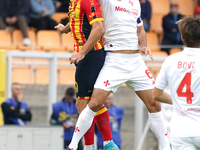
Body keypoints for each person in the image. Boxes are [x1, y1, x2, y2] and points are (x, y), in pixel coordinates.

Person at [68, 0, 171, 149]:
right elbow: (83, 12)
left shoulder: (135, 2)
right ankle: (73, 145)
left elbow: (140, 29)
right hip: (114, 60)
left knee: (154, 103)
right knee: (95, 103)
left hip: (136, 62)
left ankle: (166, 146)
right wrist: (68, 28)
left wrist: (144, 45)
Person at [54, 0, 118, 149]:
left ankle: (90, 146)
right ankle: (107, 144)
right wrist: (65, 29)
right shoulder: (75, 1)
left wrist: (82, 52)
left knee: (83, 105)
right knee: (93, 103)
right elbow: (79, 18)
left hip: (90, 55)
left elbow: (98, 28)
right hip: (86, 55)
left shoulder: (88, 1)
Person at [153, 16, 200, 150]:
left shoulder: (170, 60)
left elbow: (156, 94)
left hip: (180, 131)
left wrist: (180, 102)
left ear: (182, 37)